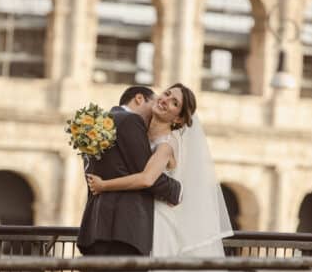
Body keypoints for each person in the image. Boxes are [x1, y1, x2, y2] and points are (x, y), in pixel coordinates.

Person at [87, 83, 233, 257]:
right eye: (166, 94)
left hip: (158, 219)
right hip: (138, 216)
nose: (165, 100)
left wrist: (104, 185)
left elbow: (146, 179)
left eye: (174, 103)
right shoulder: (139, 132)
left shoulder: (166, 144)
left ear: (178, 119)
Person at [77, 86, 182, 256]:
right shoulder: (130, 121)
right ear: (139, 99)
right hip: (124, 228)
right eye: (155, 101)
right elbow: (145, 174)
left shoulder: (95, 125)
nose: (160, 105)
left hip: (95, 226)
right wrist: (177, 190)